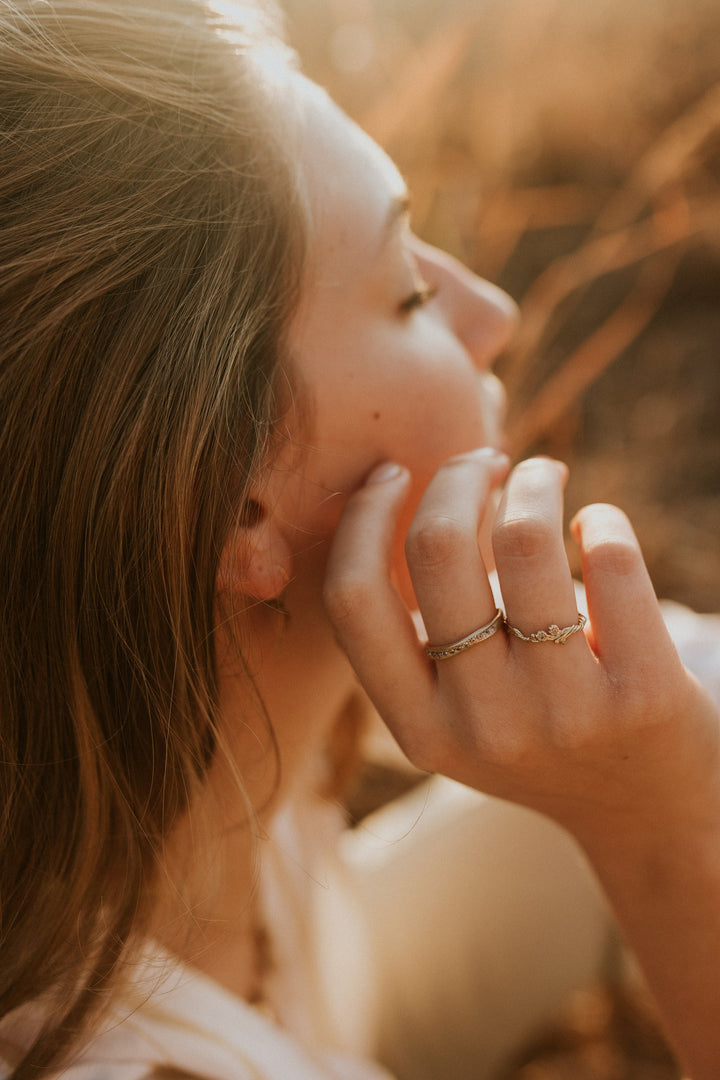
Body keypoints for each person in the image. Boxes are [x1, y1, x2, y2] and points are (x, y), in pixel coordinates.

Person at [0, 2, 719, 1080]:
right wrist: (656, 827)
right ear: (231, 502)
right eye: (410, 292)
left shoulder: (168, 739)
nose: (493, 311)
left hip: (305, 987)